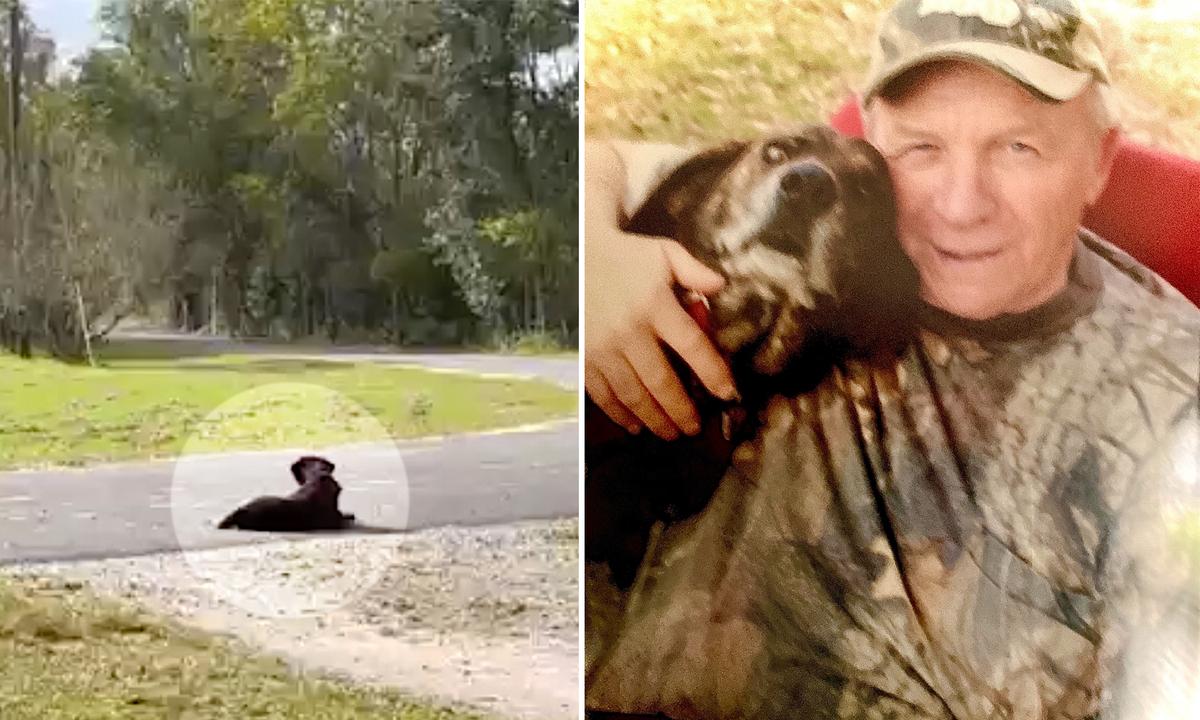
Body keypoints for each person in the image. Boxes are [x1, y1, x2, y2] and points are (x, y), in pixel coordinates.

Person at [584, 1, 1200, 718]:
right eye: (923, 150)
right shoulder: (835, 243)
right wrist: (590, 254)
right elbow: (614, 163)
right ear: (872, 142)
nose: (963, 205)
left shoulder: (1166, 405)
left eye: (1017, 149)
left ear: (1098, 163)